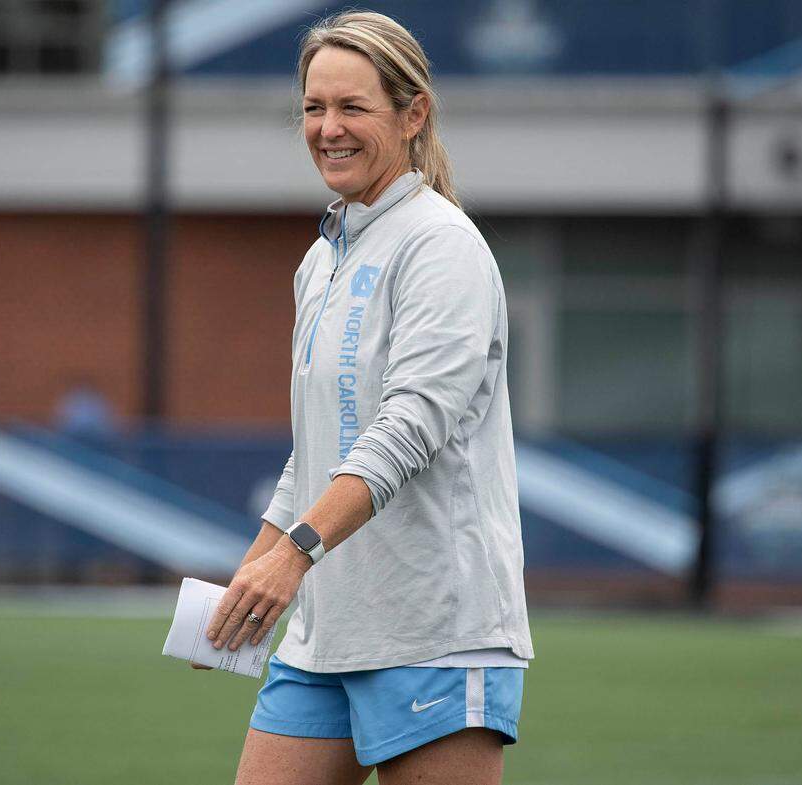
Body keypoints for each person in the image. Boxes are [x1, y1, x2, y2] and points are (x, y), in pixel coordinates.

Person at [197, 11, 533, 785]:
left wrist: (295, 554)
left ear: (413, 115)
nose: (328, 128)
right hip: (326, 633)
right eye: (314, 108)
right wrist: (253, 582)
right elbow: (316, 449)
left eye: (353, 108)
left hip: (437, 633)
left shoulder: (442, 245)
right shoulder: (320, 260)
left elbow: (406, 430)